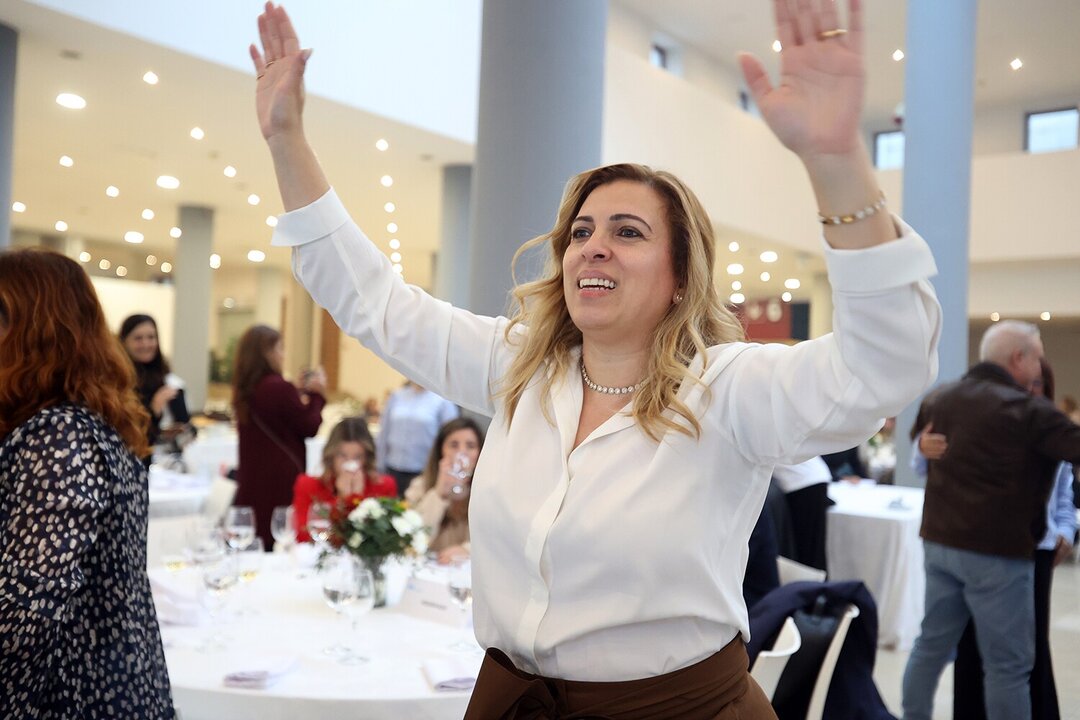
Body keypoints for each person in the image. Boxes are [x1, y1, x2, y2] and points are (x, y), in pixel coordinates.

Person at [251, 1, 941, 715]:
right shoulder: (520, 369)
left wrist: (836, 163)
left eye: (627, 232)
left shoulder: (728, 390)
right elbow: (376, 303)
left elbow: (882, 368)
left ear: (680, 277)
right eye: (581, 232)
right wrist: (286, 139)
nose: (593, 247)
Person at [0, 249, 175, 718]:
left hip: (73, 693)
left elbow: (27, 605)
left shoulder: (58, 435)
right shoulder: (84, 423)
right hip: (110, 682)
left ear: (30, 331)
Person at [901, 321, 1080, 720]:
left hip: (940, 544)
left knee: (929, 647)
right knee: (1008, 667)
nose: (1040, 365)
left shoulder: (941, 397)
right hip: (998, 554)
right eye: (1037, 357)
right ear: (1019, 358)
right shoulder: (1030, 412)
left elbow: (920, 444)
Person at [232, 324, 326, 548]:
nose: (283, 355)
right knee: (278, 533)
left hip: (254, 475)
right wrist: (318, 396)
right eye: (280, 348)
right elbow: (309, 425)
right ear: (267, 353)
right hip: (279, 477)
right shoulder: (277, 387)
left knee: (258, 533)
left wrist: (298, 393)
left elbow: (280, 416)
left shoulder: (247, 387)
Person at [293, 416, 396, 542]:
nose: (350, 463)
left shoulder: (384, 486)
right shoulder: (308, 485)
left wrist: (357, 499)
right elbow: (303, 535)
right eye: (342, 456)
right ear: (331, 456)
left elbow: (383, 538)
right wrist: (342, 500)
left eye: (357, 457)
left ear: (367, 458)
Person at [405, 417, 486, 564]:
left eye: (470, 446)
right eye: (454, 445)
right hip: (427, 567)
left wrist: (467, 550)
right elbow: (412, 539)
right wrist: (439, 494)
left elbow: (494, 540)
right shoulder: (419, 486)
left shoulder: (487, 492)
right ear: (441, 450)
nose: (462, 453)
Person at [119, 313, 193, 456]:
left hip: (167, 460)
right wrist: (154, 409)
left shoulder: (170, 381)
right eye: (138, 338)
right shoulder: (119, 383)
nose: (146, 344)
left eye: (151, 337)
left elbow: (186, 428)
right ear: (124, 342)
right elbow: (127, 434)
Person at [376, 380, 460, 496]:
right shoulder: (397, 396)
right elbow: (384, 433)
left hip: (423, 473)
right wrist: (379, 465)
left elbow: (451, 437)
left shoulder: (442, 401)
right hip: (392, 469)